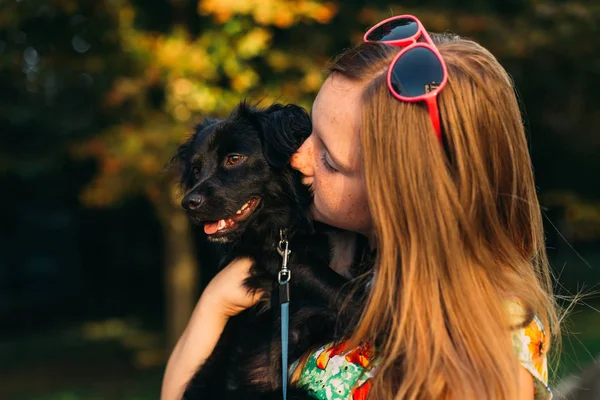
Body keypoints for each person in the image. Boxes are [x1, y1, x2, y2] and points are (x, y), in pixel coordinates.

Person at [162, 15, 559, 400]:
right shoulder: (357, 266)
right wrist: (216, 302)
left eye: (330, 160)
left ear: (399, 193)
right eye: (309, 132)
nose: (297, 159)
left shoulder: (480, 347)